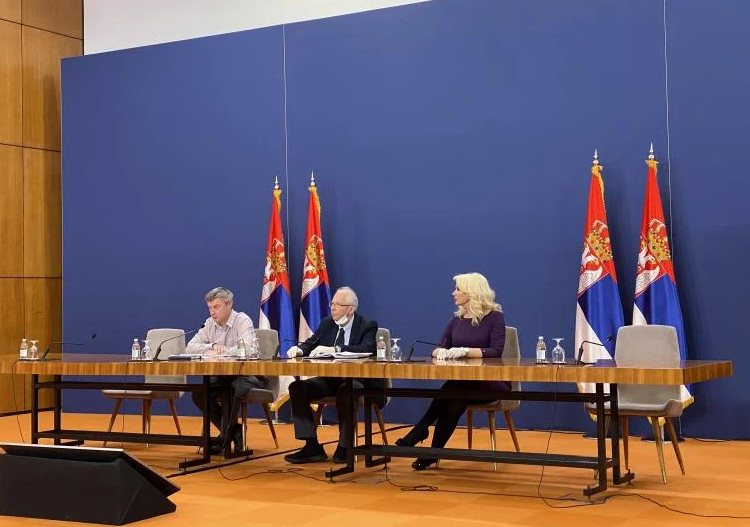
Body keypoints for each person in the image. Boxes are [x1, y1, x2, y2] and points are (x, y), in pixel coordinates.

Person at [396, 272, 509, 470]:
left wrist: (466, 351)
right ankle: (432, 452)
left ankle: (421, 429)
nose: (453, 293)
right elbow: (438, 347)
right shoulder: (456, 319)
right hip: (463, 385)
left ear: (471, 292)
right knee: (455, 401)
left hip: (491, 383)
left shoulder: (495, 317)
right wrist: (440, 352)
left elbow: (496, 350)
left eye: (457, 289)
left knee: (454, 389)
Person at [284, 286, 384, 464]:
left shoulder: (367, 325)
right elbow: (312, 342)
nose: (333, 307)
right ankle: (311, 446)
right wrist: (299, 350)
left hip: (358, 381)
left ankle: (345, 446)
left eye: (338, 304)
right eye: (332, 304)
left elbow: (368, 349)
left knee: (346, 391)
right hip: (330, 380)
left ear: (350, 309)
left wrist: (336, 349)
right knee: (297, 387)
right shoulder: (327, 323)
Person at [186, 287, 268, 454]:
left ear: (229, 304)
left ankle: (224, 438)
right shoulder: (209, 323)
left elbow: (248, 350)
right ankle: (234, 432)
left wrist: (223, 351)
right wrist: (212, 346)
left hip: (248, 375)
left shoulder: (242, 320)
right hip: (222, 376)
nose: (212, 312)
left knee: (234, 389)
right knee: (199, 394)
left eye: (217, 307)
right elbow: (190, 348)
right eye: (210, 308)